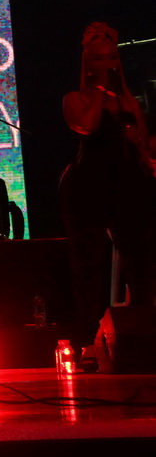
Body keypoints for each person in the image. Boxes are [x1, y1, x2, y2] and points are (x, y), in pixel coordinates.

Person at [60, 22, 156, 348]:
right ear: (87, 65)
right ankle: (87, 338)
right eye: (99, 59)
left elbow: (142, 144)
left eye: (112, 58)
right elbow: (84, 124)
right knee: (89, 263)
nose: (108, 64)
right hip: (89, 185)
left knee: (140, 259)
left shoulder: (129, 101)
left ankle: (143, 334)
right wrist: (101, 91)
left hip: (128, 184)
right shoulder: (75, 98)